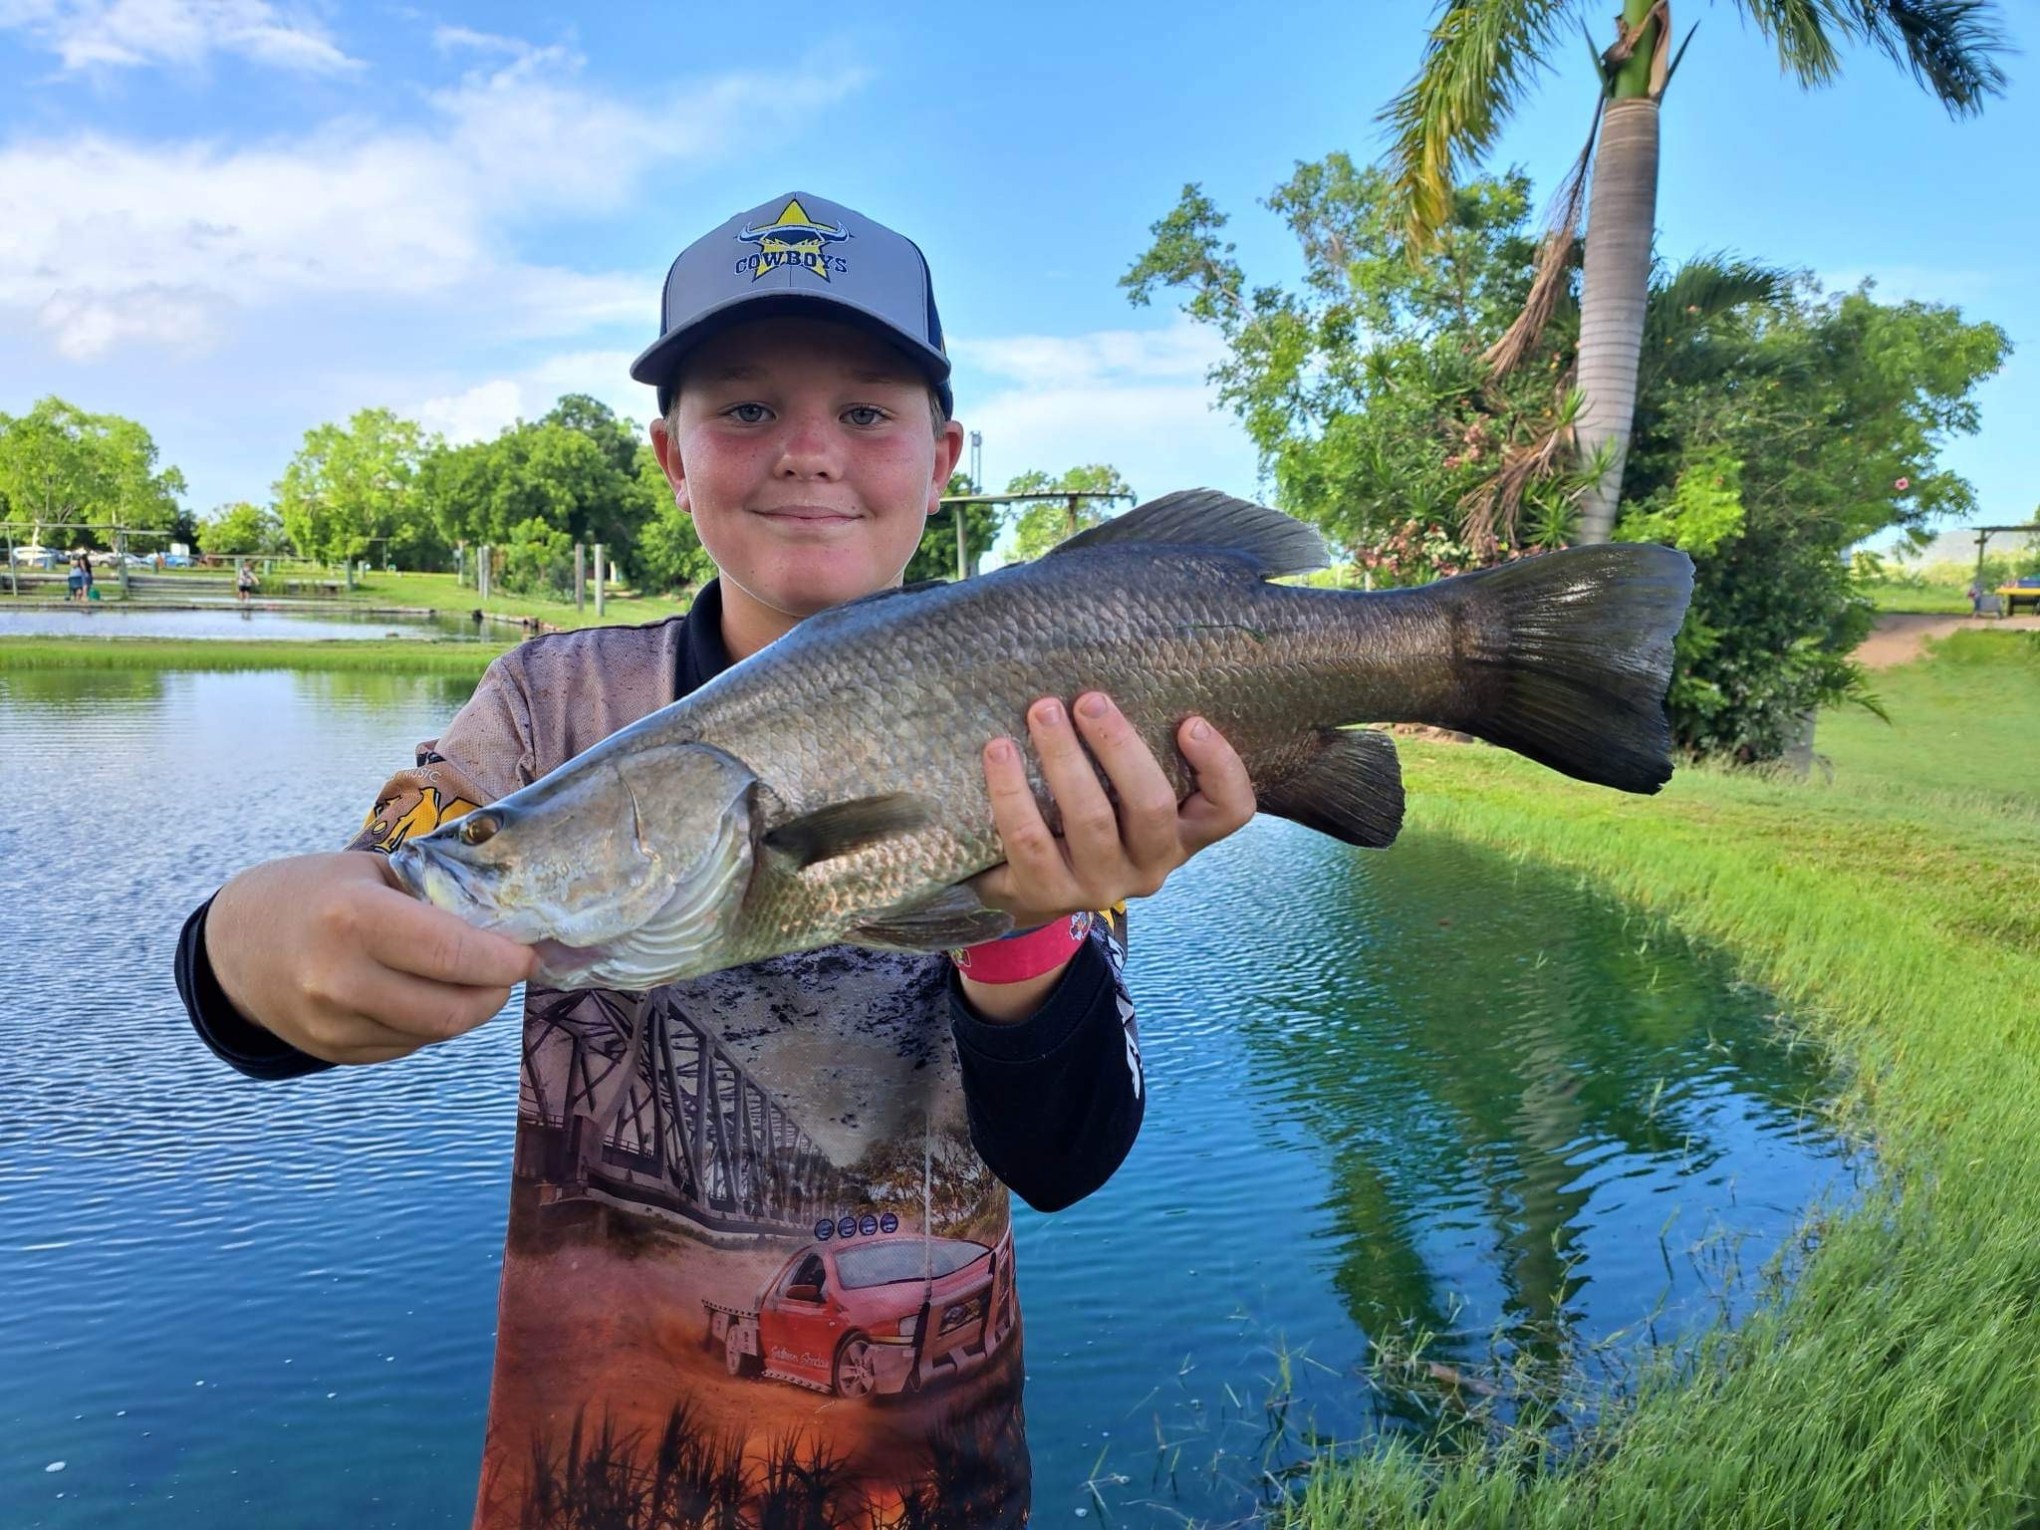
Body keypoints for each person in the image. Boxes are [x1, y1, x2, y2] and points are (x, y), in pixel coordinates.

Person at [174, 192, 1254, 1527]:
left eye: (867, 412)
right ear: (669, 457)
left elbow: (1071, 1153)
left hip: (928, 1489)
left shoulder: (1038, 696)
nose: (808, 453)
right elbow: (385, 877)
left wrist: (1023, 922)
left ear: (944, 453)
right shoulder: (546, 704)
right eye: (743, 410)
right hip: (590, 1484)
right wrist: (259, 943)